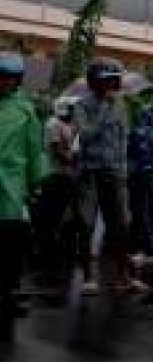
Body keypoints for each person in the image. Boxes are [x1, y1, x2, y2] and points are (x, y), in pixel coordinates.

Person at [77, 57, 144, 295]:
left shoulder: (121, 105)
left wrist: (125, 170)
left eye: (113, 81)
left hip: (115, 173)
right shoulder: (82, 105)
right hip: (90, 173)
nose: (110, 86)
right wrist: (104, 109)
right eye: (105, 81)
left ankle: (124, 277)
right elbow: (85, 135)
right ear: (94, 82)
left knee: (121, 226)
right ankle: (88, 277)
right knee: (86, 224)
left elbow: (124, 137)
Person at [0, 52, 49, 321]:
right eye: (2, 77)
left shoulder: (25, 109)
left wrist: (35, 183)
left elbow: (34, 150)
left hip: (11, 185)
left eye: (10, 78)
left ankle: (8, 292)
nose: (5, 83)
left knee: (10, 242)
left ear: (17, 81)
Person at [32, 94, 83, 295]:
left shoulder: (69, 125)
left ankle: (58, 254)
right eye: (70, 108)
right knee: (50, 216)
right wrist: (74, 157)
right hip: (55, 175)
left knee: (65, 216)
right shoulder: (54, 124)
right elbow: (58, 150)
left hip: (67, 177)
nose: (73, 112)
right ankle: (46, 256)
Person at [127, 105, 153, 267]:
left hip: (139, 176)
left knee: (141, 211)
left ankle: (146, 249)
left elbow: (128, 153)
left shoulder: (135, 133)